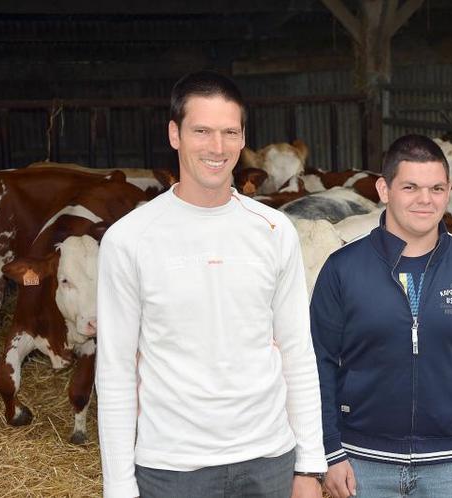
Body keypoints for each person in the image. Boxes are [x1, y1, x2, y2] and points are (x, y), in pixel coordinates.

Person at [95, 70, 327, 498]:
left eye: (229, 132)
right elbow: (114, 370)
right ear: (174, 134)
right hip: (172, 469)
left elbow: (297, 350)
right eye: (201, 130)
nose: (216, 147)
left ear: (243, 139)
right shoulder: (129, 239)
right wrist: (118, 486)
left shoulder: (275, 230)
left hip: (269, 460)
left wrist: (310, 465)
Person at [310, 134, 452, 498]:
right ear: (384, 189)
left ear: (449, 190)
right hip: (361, 465)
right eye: (410, 187)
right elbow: (318, 363)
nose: (426, 199)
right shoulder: (343, 268)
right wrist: (329, 449)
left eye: (437, 188)